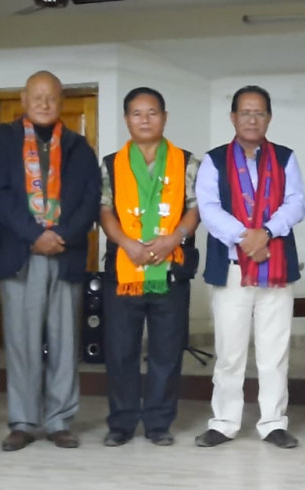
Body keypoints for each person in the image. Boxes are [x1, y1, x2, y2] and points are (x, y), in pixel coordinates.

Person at [0, 70, 101, 452]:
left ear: (61, 100)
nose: (45, 104)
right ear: (24, 98)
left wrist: (59, 236)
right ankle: (23, 420)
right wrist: (35, 235)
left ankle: (60, 420)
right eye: (38, 97)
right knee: (21, 341)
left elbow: (89, 200)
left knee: (65, 342)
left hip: (65, 254)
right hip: (21, 253)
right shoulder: (2, 140)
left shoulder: (79, 146)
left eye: (52, 97)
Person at [194, 85, 305, 449]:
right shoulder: (214, 160)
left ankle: (273, 422)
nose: (252, 119)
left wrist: (267, 233)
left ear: (269, 118)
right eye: (245, 112)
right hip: (231, 269)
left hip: (275, 268)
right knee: (230, 354)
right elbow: (209, 210)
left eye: (259, 113)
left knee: (275, 352)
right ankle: (224, 422)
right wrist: (247, 238)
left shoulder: (286, 158)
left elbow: (296, 203)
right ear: (233, 118)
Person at [99, 87, 200, 447]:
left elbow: (195, 205)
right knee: (121, 350)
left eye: (152, 112)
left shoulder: (187, 162)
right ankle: (121, 423)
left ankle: (158, 422)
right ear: (127, 119)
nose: (145, 119)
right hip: (123, 271)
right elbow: (105, 210)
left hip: (170, 269)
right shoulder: (111, 164)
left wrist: (174, 238)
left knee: (167, 350)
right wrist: (126, 244)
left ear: (165, 117)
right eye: (137, 113)